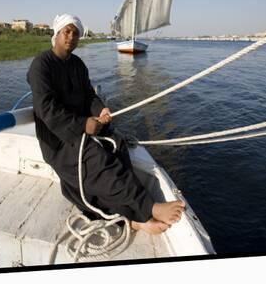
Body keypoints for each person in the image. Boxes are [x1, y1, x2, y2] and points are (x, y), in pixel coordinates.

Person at [26, 14, 185, 234]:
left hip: (81, 130)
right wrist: (83, 125)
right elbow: (47, 110)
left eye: (76, 33)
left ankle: (132, 217)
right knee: (96, 157)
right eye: (67, 31)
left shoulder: (78, 65)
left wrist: (100, 109)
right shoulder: (41, 66)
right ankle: (148, 207)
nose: (71, 37)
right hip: (58, 141)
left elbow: (89, 95)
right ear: (57, 34)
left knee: (117, 144)